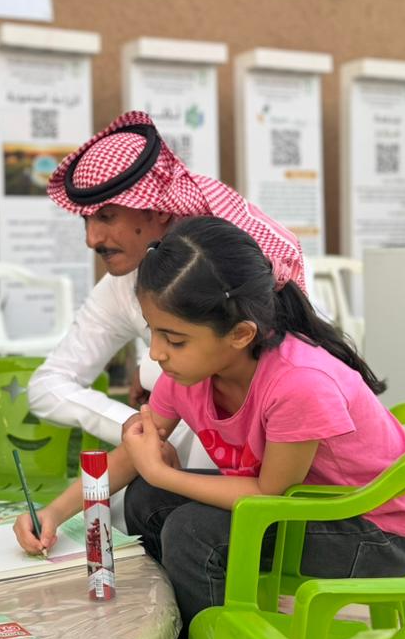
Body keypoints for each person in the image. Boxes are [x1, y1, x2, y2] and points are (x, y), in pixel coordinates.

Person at [15, 217, 405, 639]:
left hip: (374, 531)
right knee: (146, 501)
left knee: (194, 533)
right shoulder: (188, 373)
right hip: (305, 506)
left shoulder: (299, 383)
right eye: (154, 331)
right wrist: (54, 514)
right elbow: (135, 448)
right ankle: (177, 632)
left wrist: (162, 473)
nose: (156, 353)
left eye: (174, 339)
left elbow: (271, 495)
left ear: (240, 334)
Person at [27, 110, 308, 463]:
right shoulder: (121, 284)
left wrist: (152, 375)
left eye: (107, 217)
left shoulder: (241, 275)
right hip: (180, 452)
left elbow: (285, 379)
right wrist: (139, 425)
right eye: (87, 219)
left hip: (277, 456)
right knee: (123, 508)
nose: (92, 239)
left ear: (158, 211)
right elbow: (48, 384)